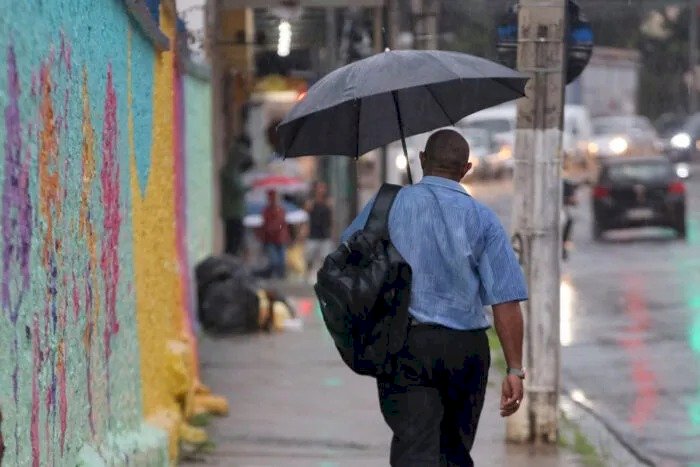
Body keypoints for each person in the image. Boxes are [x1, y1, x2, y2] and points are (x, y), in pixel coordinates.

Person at [342, 129, 527, 467]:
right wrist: (514, 369)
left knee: (414, 448)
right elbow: (506, 301)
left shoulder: (388, 206)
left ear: (422, 160)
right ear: (467, 169)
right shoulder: (483, 219)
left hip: (405, 345)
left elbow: (347, 260)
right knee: (454, 451)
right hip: (466, 351)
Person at [220, 134, 253, 256]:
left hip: (234, 211)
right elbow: (237, 189)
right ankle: (229, 262)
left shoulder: (233, 171)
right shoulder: (230, 171)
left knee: (235, 242)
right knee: (233, 242)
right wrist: (249, 187)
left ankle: (231, 262)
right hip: (232, 212)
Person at [304, 181, 334, 282]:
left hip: (325, 234)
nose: (322, 190)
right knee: (310, 257)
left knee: (325, 258)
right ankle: (308, 275)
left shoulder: (328, 201)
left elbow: (331, 218)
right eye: (320, 188)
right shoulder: (311, 202)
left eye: (324, 188)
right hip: (313, 234)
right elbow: (306, 214)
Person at [261, 190, 290, 279]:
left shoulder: (281, 210)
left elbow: (282, 223)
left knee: (281, 260)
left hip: (280, 238)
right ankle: (270, 274)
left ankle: (280, 276)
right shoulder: (266, 211)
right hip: (270, 239)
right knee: (274, 260)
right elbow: (265, 224)